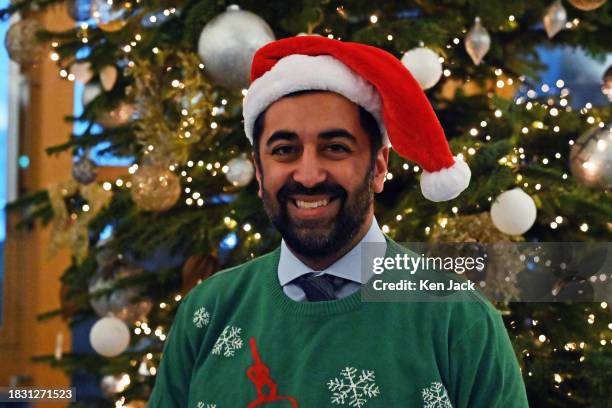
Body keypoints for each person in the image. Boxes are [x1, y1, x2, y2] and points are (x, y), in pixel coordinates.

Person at [148, 36, 528, 407]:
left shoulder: (458, 320)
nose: (309, 174)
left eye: (335, 148)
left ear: (378, 168)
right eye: (284, 150)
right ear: (260, 174)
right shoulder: (209, 311)